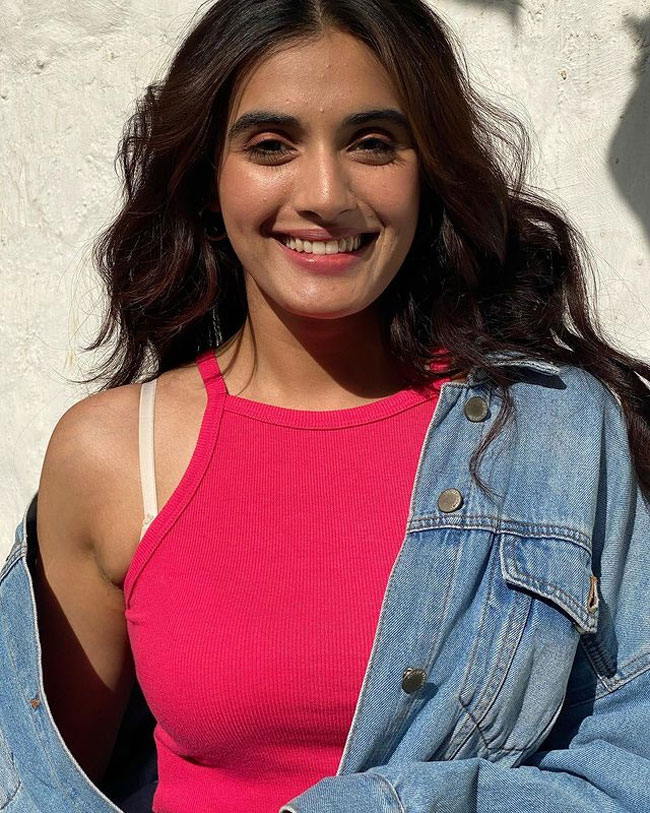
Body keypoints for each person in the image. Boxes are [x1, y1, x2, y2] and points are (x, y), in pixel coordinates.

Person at [2, 1, 649, 812]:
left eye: (372, 143)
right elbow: (44, 791)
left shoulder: (556, 432)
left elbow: (635, 754)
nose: (325, 194)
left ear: (428, 170)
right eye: (271, 145)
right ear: (208, 180)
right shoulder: (110, 456)